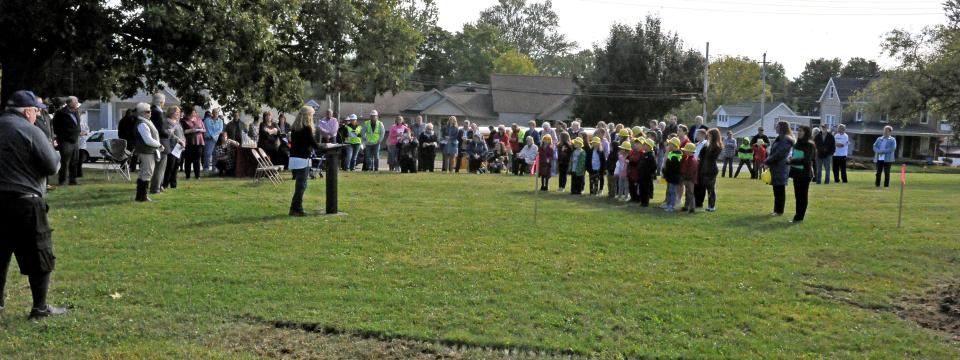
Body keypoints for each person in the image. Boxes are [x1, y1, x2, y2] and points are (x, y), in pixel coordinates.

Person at [0, 90, 67, 320]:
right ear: (28, 111)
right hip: (25, 200)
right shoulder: (30, 130)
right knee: (39, 253)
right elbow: (51, 166)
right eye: (36, 111)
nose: (37, 115)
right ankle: (39, 307)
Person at [288, 106, 323, 216]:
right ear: (308, 116)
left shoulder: (294, 128)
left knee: (300, 185)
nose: (312, 117)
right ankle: (296, 209)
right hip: (303, 159)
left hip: (294, 159)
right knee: (302, 185)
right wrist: (323, 147)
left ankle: (295, 208)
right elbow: (313, 144)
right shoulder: (307, 128)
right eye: (312, 115)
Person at [764, 121, 796, 217]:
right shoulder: (780, 138)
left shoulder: (785, 139)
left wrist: (767, 161)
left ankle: (779, 211)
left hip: (780, 167)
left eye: (777, 126)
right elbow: (774, 152)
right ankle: (776, 210)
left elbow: (778, 153)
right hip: (776, 166)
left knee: (779, 190)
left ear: (782, 128)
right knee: (776, 189)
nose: (776, 128)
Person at [134, 102, 162, 202]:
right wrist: (159, 144)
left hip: (148, 151)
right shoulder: (142, 124)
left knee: (144, 173)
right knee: (147, 173)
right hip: (146, 151)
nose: (150, 113)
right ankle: (142, 196)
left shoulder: (145, 121)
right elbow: (148, 140)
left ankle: (140, 196)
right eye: (148, 111)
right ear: (142, 113)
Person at [51, 96, 81, 186]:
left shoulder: (76, 112)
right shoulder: (61, 113)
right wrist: (63, 136)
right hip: (65, 141)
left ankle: (73, 180)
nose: (77, 104)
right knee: (65, 162)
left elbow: (77, 125)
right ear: (70, 103)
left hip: (75, 140)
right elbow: (55, 127)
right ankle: (62, 180)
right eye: (76, 102)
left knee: (74, 161)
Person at [788, 125, 816, 223]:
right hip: (796, 174)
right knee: (797, 196)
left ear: (806, 133)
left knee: (802, 196)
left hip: (804, 174)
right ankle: (797, 215)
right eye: (798, 131)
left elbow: (806, 160)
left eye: (801, 131)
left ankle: (799, 217)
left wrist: (792, 161)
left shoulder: (810, 145)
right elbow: (794, 156)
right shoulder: (797, 144)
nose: (799, 132)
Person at [149, 93, 169, 194]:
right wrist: (168, 132)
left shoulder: (151, 111)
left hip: (155, 142)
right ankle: (156, 187)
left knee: (157, 166)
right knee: (160, 167)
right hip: (162, 141)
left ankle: (158, 185)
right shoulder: (158, 112)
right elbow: (161, 129)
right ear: (161, 102)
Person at [161, 106, 185, 190]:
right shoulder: (167, 121)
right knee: (170, 166)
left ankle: (173, 184)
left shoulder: (178, 122)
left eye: (179, 112)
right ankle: (165, 184)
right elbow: (170, 134)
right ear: (171, 113)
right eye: (176, 112)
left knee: (176, 166)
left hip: (179, 147)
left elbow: (181, 133)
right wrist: (178, 140)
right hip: (171, 146)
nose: (178, 114)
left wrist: (183, 141)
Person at [699, 128, 723, 212]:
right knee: (707, 188)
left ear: (713, 136)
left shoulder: (716, 146)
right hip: (706, 169)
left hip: (711, 170)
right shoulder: (708, 145)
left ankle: (712, 206)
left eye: (709, 135)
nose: (708, 137)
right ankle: (709, 205)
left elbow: (712, 158)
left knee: (711, 188)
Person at [181, 108, 205, 179]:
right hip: (189, 142)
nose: (194, 114)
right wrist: (192, 130)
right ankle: (187, 176)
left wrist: (199, 130)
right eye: (192, 113)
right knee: (188, 159)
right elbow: (183, 131)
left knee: (197, 159)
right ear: (188, 113)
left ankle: (197, 175)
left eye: (195, 113)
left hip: (199, 141)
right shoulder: (183, 121)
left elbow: (204, 129)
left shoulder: (199, 119)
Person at [661, 138, 682, 212]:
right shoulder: (671, 153)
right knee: (670, 191)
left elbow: (674, 168)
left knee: (672, 191)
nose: (668, 145)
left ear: (674, 145)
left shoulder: (677, 155)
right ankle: (668, 204)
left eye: (670, 144)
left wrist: (666, 171)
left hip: (674, 177)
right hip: (670, 176)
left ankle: (671, 206)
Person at [679, 143, 699, 214]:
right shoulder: (688, 158)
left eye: (686, 150)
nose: (684, 151)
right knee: (687, 193)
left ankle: (692, 208)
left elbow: (690, 171)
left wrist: (684, 176)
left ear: (690, 151)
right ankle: (686, 206)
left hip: (689, 179)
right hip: (687, 179)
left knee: (690, 193)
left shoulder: (692, 160)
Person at [202, 107, 224, 172]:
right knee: (208, 154)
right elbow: (208, 129)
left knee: (216, 154)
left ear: (218, 113)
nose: (215, 114)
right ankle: (206, 168)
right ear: (212, 113)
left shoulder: (220, 121)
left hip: (217, 139)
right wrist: (212, 136)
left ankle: (214, 168)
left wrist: (214, 136)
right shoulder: (207, 120)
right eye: (214, 112)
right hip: (209, 139)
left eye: (216, 113)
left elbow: (220, 130)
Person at [637, 139, 657, 207]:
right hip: (642, 176)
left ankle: (646, 202)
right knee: (641, 188)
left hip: (647, 176)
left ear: (649, 146)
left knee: (646, 189)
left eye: (644, 145)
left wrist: (650, 173)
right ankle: (642, 201)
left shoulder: (651, 155)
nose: (643, 145)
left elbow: (654, 166)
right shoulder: (644, 154)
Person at [693, 129, 708, 208]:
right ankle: (695, 201)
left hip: (701, 167)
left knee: (701, 185)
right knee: (695, 184)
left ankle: (699, 203)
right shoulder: (696, 144)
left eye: (698, 134)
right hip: (695, 166)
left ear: (702, 135)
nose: (696, 136)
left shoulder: (706, 144)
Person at [76, 110, 90, 178]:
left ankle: (79, 173)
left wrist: (84, 133)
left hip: (82, 144)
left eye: (80, 115)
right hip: (76, 144)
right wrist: (79, 133)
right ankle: (76, 173)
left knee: (81, 159)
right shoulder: (75, 123)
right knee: (76, 160)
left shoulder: (83, 123)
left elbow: (87, 131)